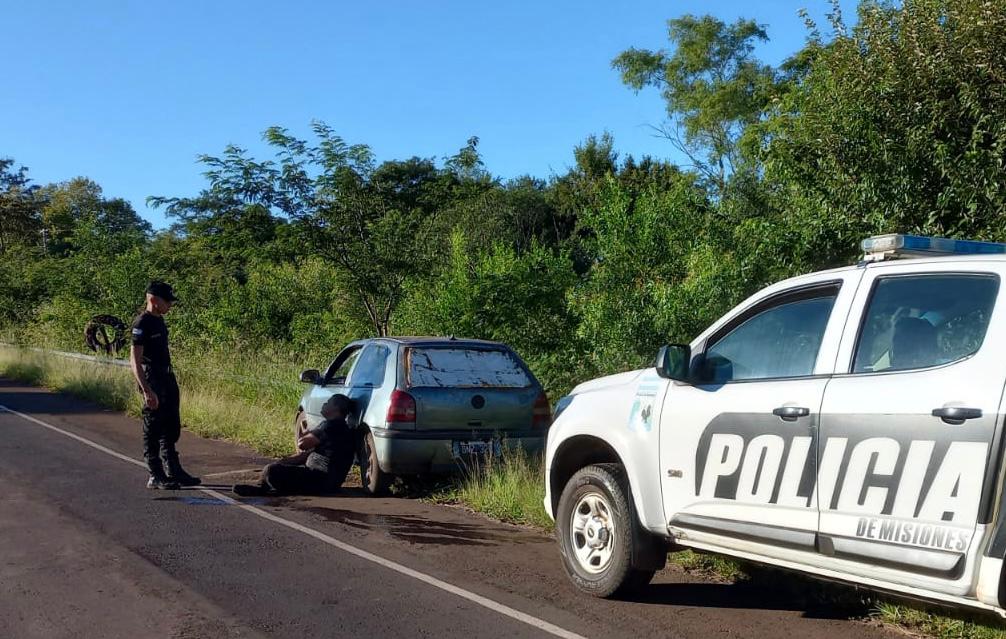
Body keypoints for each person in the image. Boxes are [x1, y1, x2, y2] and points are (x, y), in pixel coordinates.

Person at [129, 281, 201, 490]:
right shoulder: (141, 324)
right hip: (153, 379)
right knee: (153, 428)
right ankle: (155, 473)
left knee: (171, 426)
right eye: (167, 301)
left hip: (167, 377)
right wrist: (147, 390)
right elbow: (135, 361)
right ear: (153, 300)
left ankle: (173, 470)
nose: (170, 305)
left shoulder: (159, 320)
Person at [232, 394, 356, 496]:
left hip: (319, 480)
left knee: (272, 471)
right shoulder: (342, 428)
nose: (324, 404)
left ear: (335, 409)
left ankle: (262, 489)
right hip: (330, 482)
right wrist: (283, 462)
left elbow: (302, 444)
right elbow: (305, 455)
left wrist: (305, 432)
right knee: (276, 468)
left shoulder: (330, 426)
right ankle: (265, 487)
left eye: (328, 402)